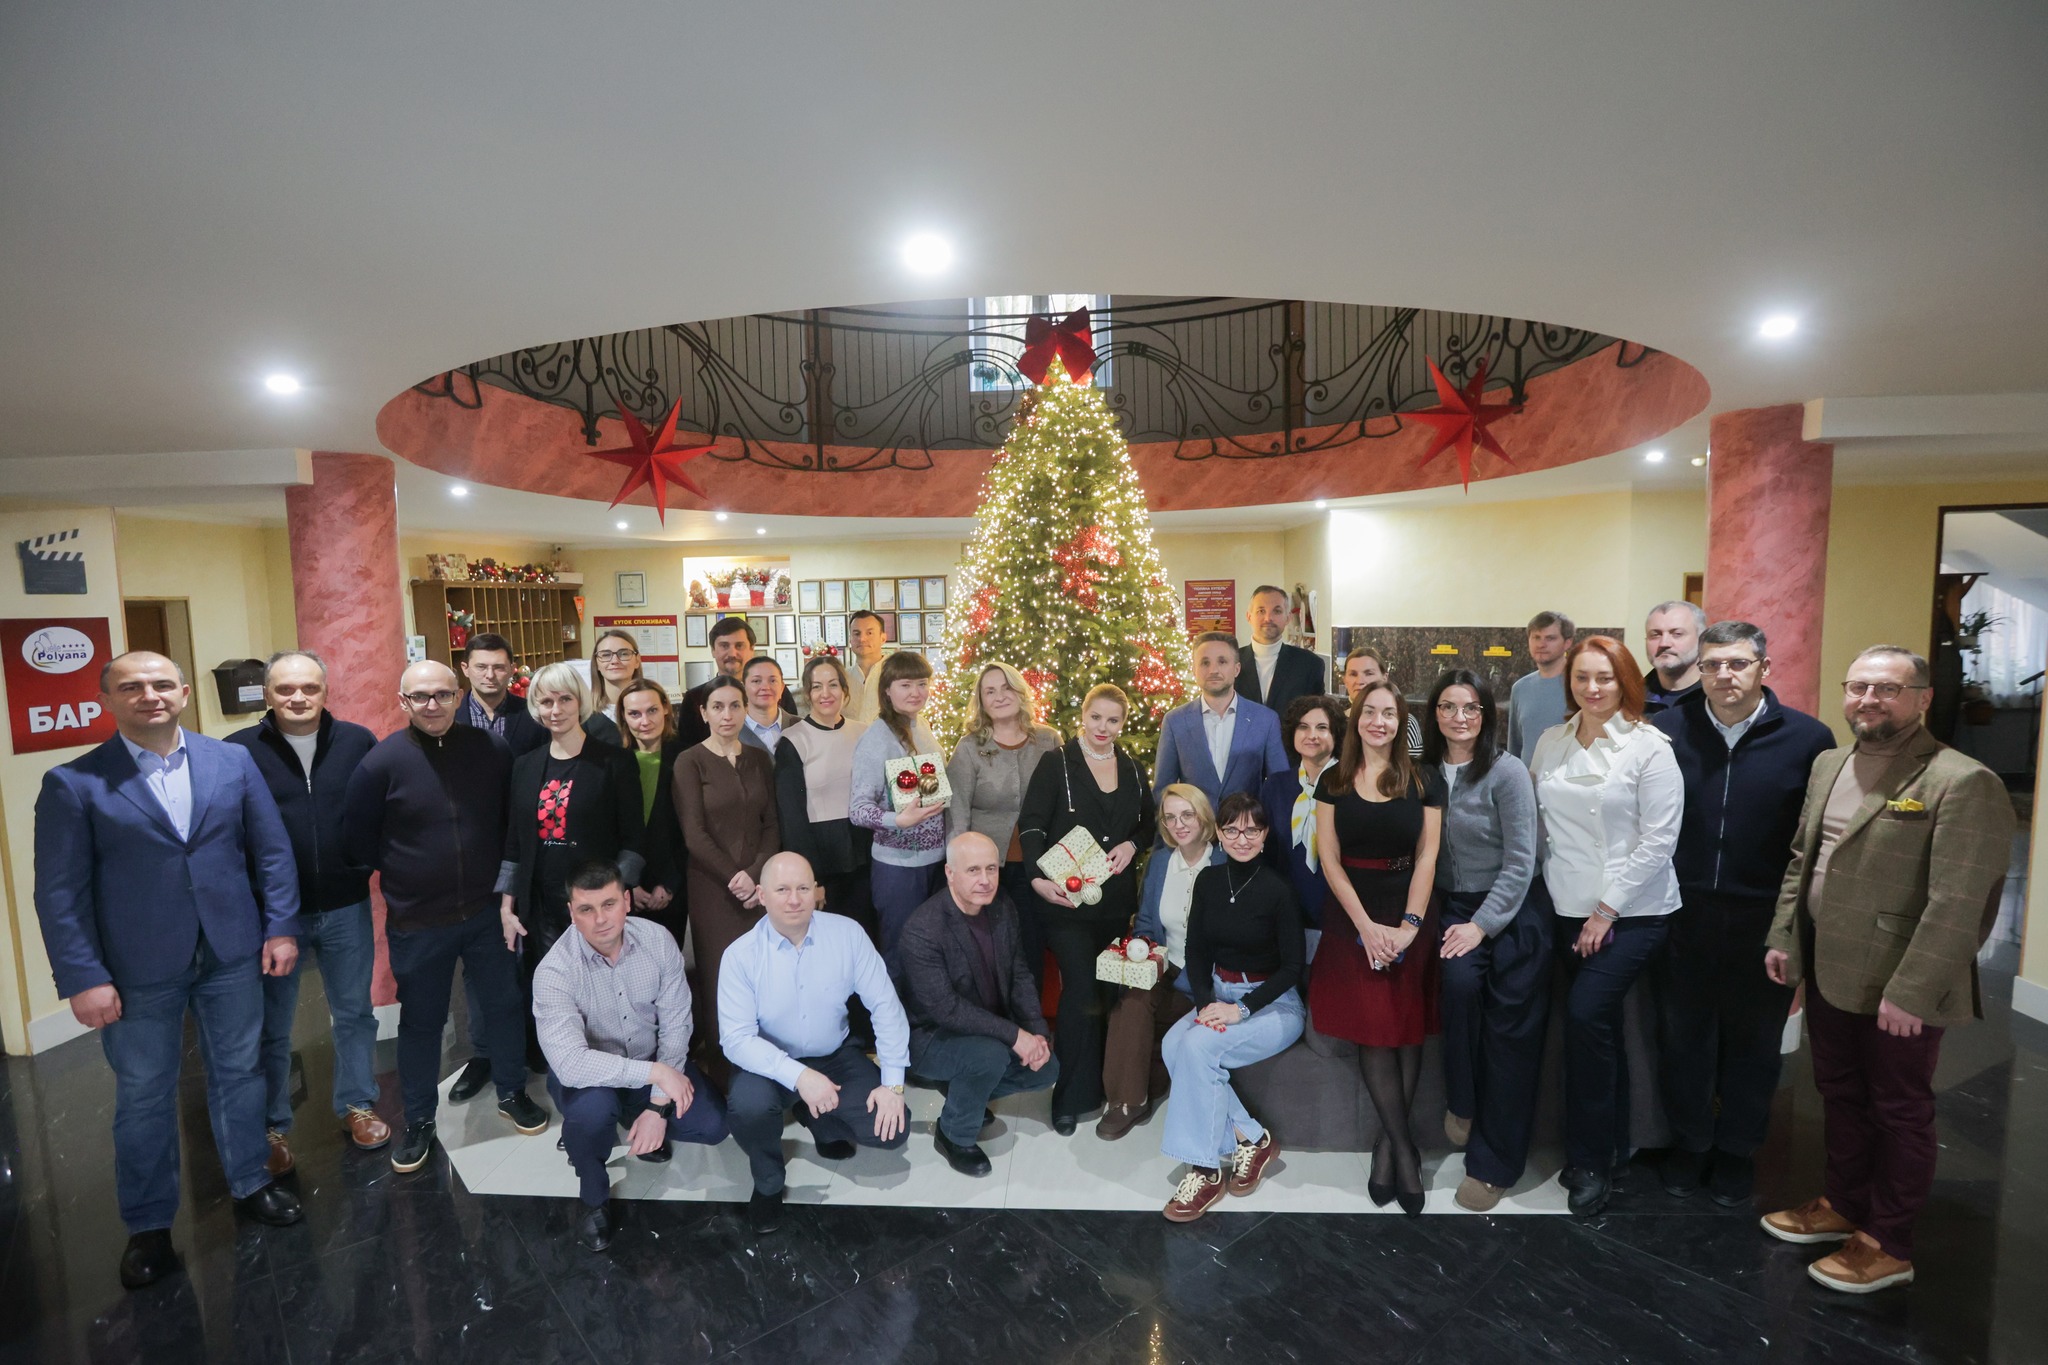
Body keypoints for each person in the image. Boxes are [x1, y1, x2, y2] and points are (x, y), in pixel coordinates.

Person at [34, 651, 306, 1290]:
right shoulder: (74, 782)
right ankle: (149, 1225)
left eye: (161, 684)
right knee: (144, 1093)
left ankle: (250, 1182)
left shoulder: (230, 762)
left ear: (184, 693)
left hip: (231, 951)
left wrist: (281, 926)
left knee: (239, 1072)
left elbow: (271, 851)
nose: (149, 695)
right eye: (132, 687)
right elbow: (59, 892)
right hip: (136, 966)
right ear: (107, 700)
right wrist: (82, 976)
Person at [1761, 645, 2014, 1294]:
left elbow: (1960, 903)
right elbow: (1803, 858)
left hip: (1900, 984)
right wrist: (1786, 935)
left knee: (1899, 1109)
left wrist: (1913, 991)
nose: (1868, 699)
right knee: (1840, 1093)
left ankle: (1889, 1242)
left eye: (1887, 688)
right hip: (1830, 965)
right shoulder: (1829, 763)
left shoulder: (1961, 780)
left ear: (1922, 698)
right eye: (1858, 686)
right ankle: (1844, 1203)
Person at [1650, 622, 1835, 1206]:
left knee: (1754, 1043)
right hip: (1682, 911)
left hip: (1763, 916)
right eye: (1712, 665)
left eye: (1737, 663)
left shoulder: (1809, 739)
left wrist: (1792, 925)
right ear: (1698, 670)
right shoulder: (1666, 731)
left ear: (1764, 668)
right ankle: (1690, 1143)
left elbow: (1812, 840)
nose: (1723, 675)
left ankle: (1736, 1151)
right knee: (1684, 1037)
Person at [344, 660, 548, 1175]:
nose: (432, 704)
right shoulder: (381, 763)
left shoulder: (491, 750)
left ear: (458, 696)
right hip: (418, 921)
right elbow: (359, 841)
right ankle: (418, 1120)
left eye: (441, 694)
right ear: (403, 702)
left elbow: (510, 823)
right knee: (421, 1023)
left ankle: (511, 1092)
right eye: (420, 696)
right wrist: (408, 874)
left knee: (503, 1006)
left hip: (485, 912)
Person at [1528, 635, 1681, 1217]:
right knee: (1596, 1032)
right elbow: (1538, 823)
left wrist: (1607, 910)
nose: (1592, 688)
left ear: (1625, 682)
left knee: (1587, 1017)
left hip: (1632, 910)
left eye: (1605, 677)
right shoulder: (1552, 740)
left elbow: (1659, 841)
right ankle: (1611, 1145)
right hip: (1564, 905)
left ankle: (1591, 1161)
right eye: (1582, 677)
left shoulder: (1649, 747)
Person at [225, 651, 389, 1175]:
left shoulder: (358, 742)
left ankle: (357, 1104)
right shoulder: (237, 750)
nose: (298, 698)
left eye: (309, 688)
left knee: (354, 1013)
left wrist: (363, 864)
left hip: (345, 904)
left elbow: (380, 810)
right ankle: (271, 1124)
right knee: (272, 1026)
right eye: (285, 689)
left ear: (325, 691)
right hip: (275, 916)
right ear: (267, 694)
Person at [532, 859, 729, 1253]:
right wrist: (657, 1075)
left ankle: (638, 1119)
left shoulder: (657, 941)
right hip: (591, 1077)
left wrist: (657, 1108)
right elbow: (571, 1064)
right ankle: (593, 1195)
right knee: (591, 1116)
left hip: (650, 1062)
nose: (599, 919)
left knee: (713, 1124)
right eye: (586, 909)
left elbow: (676, 1027)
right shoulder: (554, 972)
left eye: (608, 904)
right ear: (571, 912)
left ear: (626, 901)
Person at [721, 852, 911, 1235]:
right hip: (770, 1062)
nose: (795, 899)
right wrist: (800, 1076)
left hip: (834, 1056)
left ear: (816, 891)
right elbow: (737, 1039)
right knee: (748, 1107)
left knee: (891, 1129)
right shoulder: (740, 956)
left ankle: (818, 1117)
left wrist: (893, 1084)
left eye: (803, 888)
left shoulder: (847, 934)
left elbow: (886, 1006)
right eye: (782, 890)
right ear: (762, 896)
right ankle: (768, 1182)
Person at [1311, 681, 1443, 1217]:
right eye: (1370, 712)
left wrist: (1409, 927)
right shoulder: (1333, 780)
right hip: (1353, 916)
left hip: (1411, 907)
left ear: (1401, 721)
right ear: (1356, 719)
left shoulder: (1424, 779)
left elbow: (1428, 855)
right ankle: (1405, 1150)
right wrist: (1366, 927)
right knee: (1376, 1028)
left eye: (1389, 713)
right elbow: (1329, 859)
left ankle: (1389, 1145)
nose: (1379, 722)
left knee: (1406, 1028)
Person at [1423, 669, 1547, 1213]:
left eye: (1470, 707)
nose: (1459, 717)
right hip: (1454, 905)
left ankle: (1494, 1166)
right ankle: (1463, 1102)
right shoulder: (1423, 772)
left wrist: (1481, 925)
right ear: (1433, 714)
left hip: (1514, 909)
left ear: (1486, 714)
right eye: (1448, 707)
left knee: (1508, 1031)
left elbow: (1521, 860)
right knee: (1455, 986)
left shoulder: (1506, 771)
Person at [1158, 793, 1306, 1222]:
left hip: (1273, 1004)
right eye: (1232, 830)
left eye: (1252, 830)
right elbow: (1196, 950)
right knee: (1172, 1044)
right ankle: (1253, 1139)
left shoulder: (1279, 890)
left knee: (1196, 1048)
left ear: (1264, 834)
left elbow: (1292, 967)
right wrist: (1207, 1003)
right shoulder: (1208, 881)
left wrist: (1241, 1010)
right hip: (1220, 995)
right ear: (1219, 834)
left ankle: (1204, 1171)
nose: (1242, 839)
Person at [1018, 683, 1156, 1134]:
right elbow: (1032, 824)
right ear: (1084, 715)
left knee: (1108, 995)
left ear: (1123, 723)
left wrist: (1132, 845)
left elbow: (1148, 824)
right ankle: (1069, 1097)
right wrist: (1036, 879)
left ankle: (1107, 1087)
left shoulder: (1131, 767)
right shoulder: (1056, 762)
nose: (1103, 727)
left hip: (1114, 904)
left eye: (1113, 720)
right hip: (1066, 902)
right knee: (1079, 994)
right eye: (1096, 717)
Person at [497, 662, 647, 1069]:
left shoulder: (614, 761)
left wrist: (614, 898)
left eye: (565, 699)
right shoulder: (525, 765)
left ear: (580, 702)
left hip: (598, 905)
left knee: (603, 991)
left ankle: (610, 1068)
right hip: (542, 903)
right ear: (535, 706)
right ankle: (562, 1068)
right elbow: (514, 841)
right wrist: (507, 905)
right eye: (546, 701)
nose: (555, 709)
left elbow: (634, 840)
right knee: (554, 992)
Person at [892, 833, 1058, 1176]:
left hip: (985, 1026)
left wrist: (1037, 1031)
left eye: (991, 869)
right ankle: (954, 1134)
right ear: (950, 873)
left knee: (1047, 1068)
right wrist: (1015, 1035)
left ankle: (965, 1091)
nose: (985, 880)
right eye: (973, 870)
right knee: (988, 1057)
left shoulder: (1002, 906)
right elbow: (946, 1009)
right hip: (930, 1037)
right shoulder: (923, 929)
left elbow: (1019, 973)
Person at [1099, 783, 1221, 1139]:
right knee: (1132, 1002)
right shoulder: (1162, 861)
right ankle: (1126, 1102)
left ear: (1203, 817)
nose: (1178, 825)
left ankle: (1148, 1081)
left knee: (1153, 1024)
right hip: (1165, 965)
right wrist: (1139, 950)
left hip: (1205, 978)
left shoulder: (1223, 862)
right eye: (1170, 818)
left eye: (1187, 815)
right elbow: (1148, 922)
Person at [673, 674, 779, 1079]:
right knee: (721, 975)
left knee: (764, 974)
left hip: (759, 886)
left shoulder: (758, 759)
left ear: (745, 709)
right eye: (717, 707)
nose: (727, 714)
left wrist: (755, 875)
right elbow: (693, 834)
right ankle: (725, 1069)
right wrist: (736, 877)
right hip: (713, 888)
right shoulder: (689, 761)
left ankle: (768, 1064)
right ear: (703, 713)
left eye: (735, 705)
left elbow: (772, 825)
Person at [945, 661, 1061, 988]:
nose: (999, 697)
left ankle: (1030, 1015)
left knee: (1031, 946)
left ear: (1020, 692)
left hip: (1038, 865)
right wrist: (961, 869)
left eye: (1006, 688)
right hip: (988, 869)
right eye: (990, 691)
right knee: (990, 949)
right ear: (981, 701)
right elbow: (957, 811)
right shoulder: (970, 747)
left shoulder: (1049, 740)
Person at [848, 651, 949, 951]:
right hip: (899, 868)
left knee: (931, 951)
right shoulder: (876, 738)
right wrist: (898, 820)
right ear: (887, 691)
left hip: (936, 861)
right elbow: (858, 810)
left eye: (922, 684)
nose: (916, 692)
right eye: (905, 685)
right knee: (901, 952)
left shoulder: (922, 725)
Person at [775, 655, 873, 930]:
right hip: (822, 861)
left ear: (845, 690)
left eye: (833, 685)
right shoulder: (793, 740)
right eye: (817, 687)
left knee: (865, 934)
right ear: (807, 694)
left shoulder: (864, 733)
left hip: (865, 854)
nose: (825, 693)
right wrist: (810, 880)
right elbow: (792, 819)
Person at [1155, 632, 1287, 815]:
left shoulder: (1265, 720)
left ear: (1237, 669)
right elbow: (1163, 790)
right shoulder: (1175, 721)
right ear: (1194, 670)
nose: (1213, 670)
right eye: (1205, 663)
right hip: (1195, 830)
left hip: (1246, 829)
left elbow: (1280, 786)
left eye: (1222, 661)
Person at [1260, 693, 1343, 948]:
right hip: (1288, 913)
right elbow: (1268, 854)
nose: (1311, 735)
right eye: (1303, 727)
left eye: (1322, 727)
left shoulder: (1351, 785)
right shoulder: (1275, 786)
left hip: (1340, 913)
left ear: (1336, 735)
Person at [614, 679, 688, 946]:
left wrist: (669, 884)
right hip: (623, 888)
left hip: (673, 883)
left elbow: (689, 829)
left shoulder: (686, 758)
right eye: (634, 713)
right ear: (623, 717)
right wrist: (628, 884)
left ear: (666, 708)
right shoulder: (613, 761)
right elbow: (610, 830)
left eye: (652, 710)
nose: (644, 721)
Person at [678, 618, 793, 748]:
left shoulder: (774, 692)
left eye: (739, 646)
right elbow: (688, 750)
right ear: (713, 650)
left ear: (752, 649)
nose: (732, 653)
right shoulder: (694, 698)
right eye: (724, 646)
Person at [1235, 583, 1325, 716]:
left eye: (1277, 611)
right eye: (1261, 611)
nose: (1268, 618)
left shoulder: (1310, 665)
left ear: (1288, 618)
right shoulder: (1230, 662)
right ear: (1249, 617)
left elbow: (1316, 717)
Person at [455, 631, 549, 756]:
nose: (490, 675)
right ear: (465, 669)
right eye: (481, 667)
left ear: (512, 669)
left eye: (498, 667)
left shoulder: (533, 713)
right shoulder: (449, 715)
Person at [1506, 611, 1573, 763]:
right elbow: (1515, 746)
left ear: (1567, 643)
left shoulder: (1580, 685)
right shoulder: (1520, 688)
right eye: (1536, 637)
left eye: (1550, 638)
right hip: (1528, 777)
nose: (1541, 644)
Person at [1341, 645, 1426, 757]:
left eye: (1369, 673)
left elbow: (1413, 765)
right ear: (1345, 680)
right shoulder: (1335, 722)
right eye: (1353, 674)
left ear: (1384, 678)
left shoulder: (1406, 723)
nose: (1360, 681)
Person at [1642, 600, 1706, 713]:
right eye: (1655, 635)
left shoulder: (1717, 697)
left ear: (1701, 639)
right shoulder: (1631, 698)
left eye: (1677, 634)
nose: (1664, 643)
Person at [581, 628, 639, 745]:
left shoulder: (653, 709)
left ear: (637, 661)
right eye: (606, 655)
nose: (615, 661)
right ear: (596, 664)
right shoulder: (583, 714)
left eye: (624, 654)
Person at [842, 609, 889, 722]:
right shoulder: (841, 678)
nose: (862, 639)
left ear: (883, 638)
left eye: (869, 633)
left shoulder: (897, 675)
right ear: (850, 639)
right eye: (856, 634)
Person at [738, 655, 790, 755]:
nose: (765, 687)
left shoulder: (802, 727)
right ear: (744, 688)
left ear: (782, 688)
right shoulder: (731, 731)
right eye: (756, 681)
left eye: (773, 681)